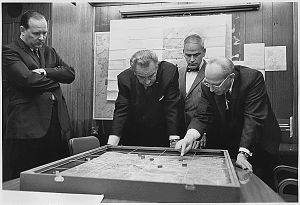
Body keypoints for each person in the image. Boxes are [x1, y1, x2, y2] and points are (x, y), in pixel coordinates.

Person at [176, 57, 281, 189]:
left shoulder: (252, 79)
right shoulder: (208, 84)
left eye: (216, 85)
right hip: (231, 142)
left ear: (231, 77)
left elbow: (253, 118)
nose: (212, 90)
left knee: (258, 189)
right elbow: (202, 115)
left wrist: (243, 154)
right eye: (209, 84)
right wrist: (189, 137)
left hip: (259, 143)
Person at [2, 10, 75, 180]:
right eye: (36, 33)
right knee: (24, 179)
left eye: (45, 33)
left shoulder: (49, 51)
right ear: (22, 30)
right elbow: (27, 79)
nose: (42, 37)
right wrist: (55, 80)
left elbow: (70, 74)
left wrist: (44, 71)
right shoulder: (9, 51)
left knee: (52, 177)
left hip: (54, 125)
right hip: (27, 128)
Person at [108, 50, 182, 147]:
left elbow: (172, 107)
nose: (147, 82)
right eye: (142, 77)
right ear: (134, 72)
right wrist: (111, 144)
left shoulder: (169, 73)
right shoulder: (125, 79)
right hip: (135, 133)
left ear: (157, 67)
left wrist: (174, 140)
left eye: (151, 76)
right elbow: (121, 111)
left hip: (162, 132)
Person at [178, 34, 207, 147]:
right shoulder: (178, 73)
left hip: (201, 136)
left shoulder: (212, 73)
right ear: (183, 52)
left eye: (196, 55)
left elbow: (215, 108)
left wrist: (204, 133)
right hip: (180, 135)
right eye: (188, 55)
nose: (192, 59)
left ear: (204, 52)